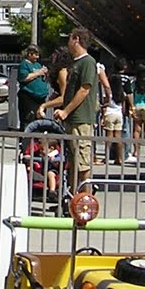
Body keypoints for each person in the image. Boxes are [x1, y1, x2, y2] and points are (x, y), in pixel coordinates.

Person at [45, 27, 99, 194]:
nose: (68, 43)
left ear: (76, 39)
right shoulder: (75, 63)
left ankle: (85, 201)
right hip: (71, 120)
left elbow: (84, 89)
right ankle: (72, 199)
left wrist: (66, 111)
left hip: (80, 119)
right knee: (73, 163)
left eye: (69, 39)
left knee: (82, 165)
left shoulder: (88, 62)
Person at [17, 44, 52, 127]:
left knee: (40, 121)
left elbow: (42, 76)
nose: (37, 57)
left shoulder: (38, 65)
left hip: (41, 98)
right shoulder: (24, 65)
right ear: (29, 54)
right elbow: (24, 78)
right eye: (36, 55)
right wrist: (38, 73)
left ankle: (38, 139)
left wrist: (45, 73)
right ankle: (26, 139)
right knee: (29, 121)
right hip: (29, 97)